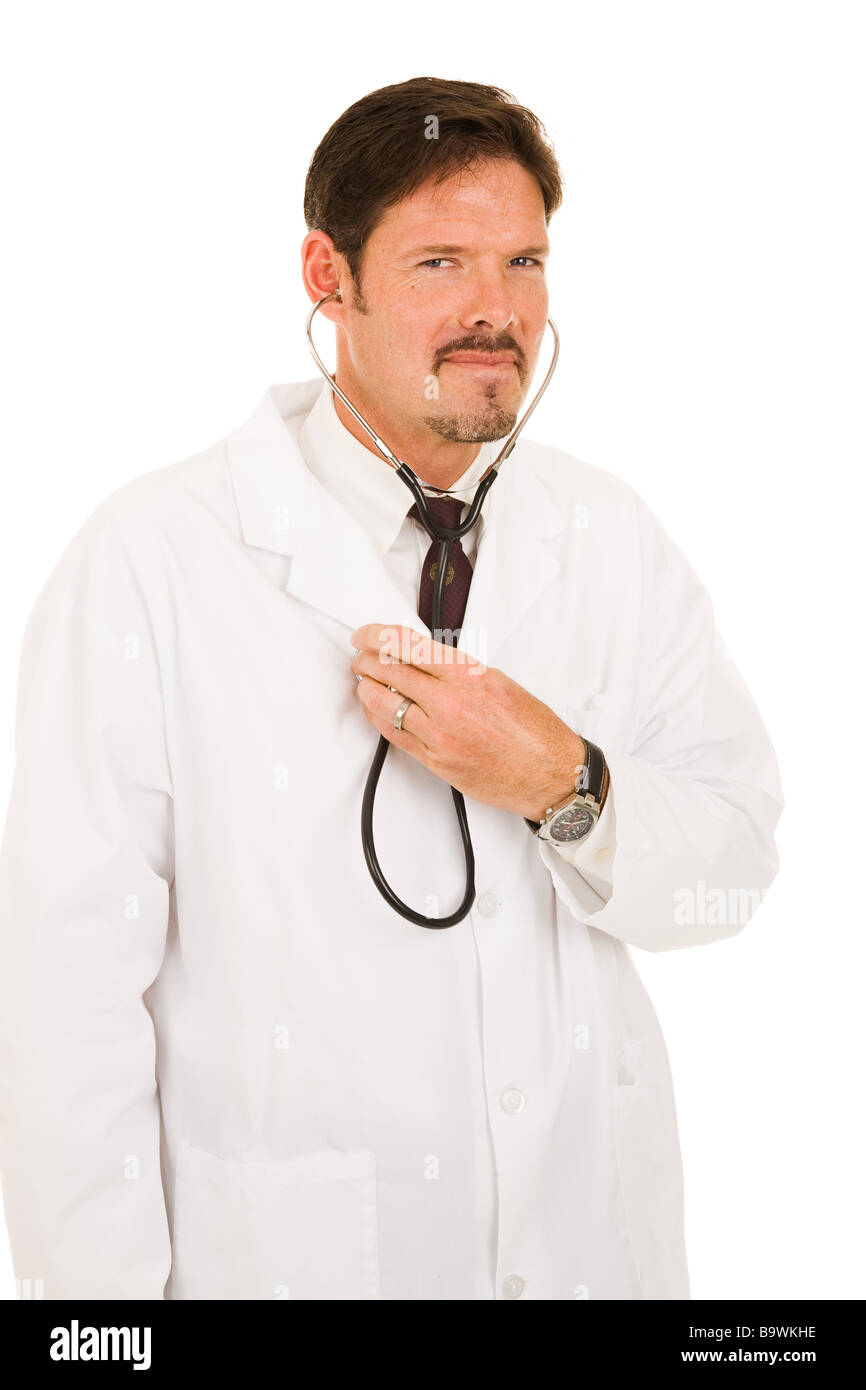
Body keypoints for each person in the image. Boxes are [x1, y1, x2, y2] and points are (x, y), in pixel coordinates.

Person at [0, 76, 784, 1301]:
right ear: (327, 275)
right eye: (440, 262)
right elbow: (61, 1008)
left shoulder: (608, 535)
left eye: (523, 262)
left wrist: (559, 782)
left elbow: (728, 870)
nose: (496, 311)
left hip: (588, 1255)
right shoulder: (151, 560)